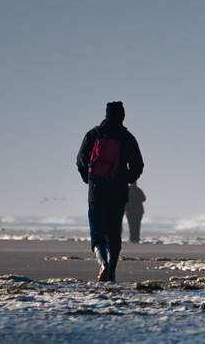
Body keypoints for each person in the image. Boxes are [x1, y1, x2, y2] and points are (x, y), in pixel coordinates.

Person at [76, 101, 144, 282]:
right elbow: (138, 165)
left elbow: (80, 161)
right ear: (122, 116)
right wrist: (126, 179)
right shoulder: (127, 137)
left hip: (96, 191)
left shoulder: (93, 135)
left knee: (97, 233)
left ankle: (102, 263)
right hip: (118, 192)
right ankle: (111, 271)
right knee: (114, 233)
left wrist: (89, 179)